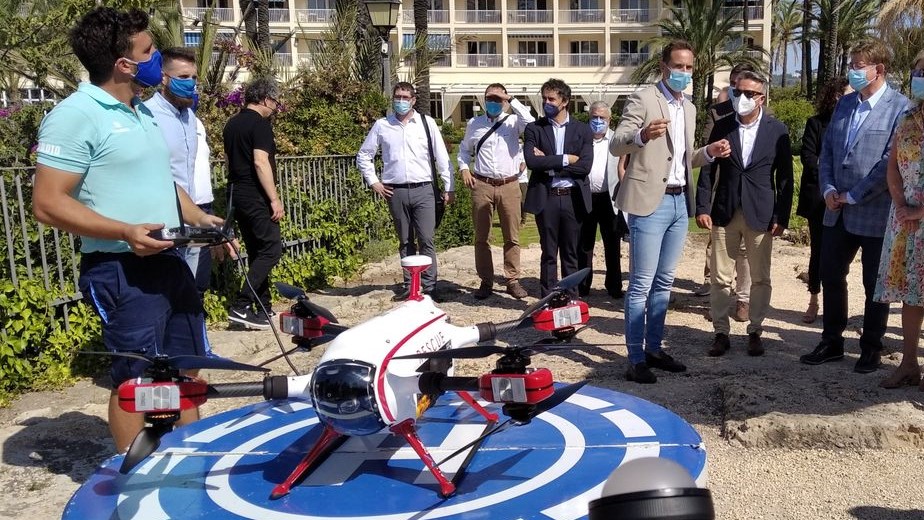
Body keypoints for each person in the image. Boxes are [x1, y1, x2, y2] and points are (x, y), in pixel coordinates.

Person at [31, 7, 223, 452]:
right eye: (149, 50)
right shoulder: (75, 114)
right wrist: (124, 230)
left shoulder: (141, 111)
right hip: (121, 266)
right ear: (125, 64)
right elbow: (47, 202)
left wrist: (200, 219)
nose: (157, 57)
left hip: (170, 260)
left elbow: (163, 181)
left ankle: (185, 463)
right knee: (139, 383)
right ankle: (139, 487)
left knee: (185, 369)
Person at [611, 40, 730, 384]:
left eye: (689, 68)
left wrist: (709, 152)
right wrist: (642, 135)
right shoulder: (644, 99)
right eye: (678, 66)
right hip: (651, 202)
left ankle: (654, 349)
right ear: (664, 66)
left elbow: (684, 158)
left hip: (680, 202)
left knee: (664, 284)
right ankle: (635, 358)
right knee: (641, 285)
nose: (684, 73)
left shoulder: (690, 109)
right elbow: (617, 143)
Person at [799, 38, 910, 374]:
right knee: (831, 275)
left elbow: (890, 163)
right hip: (836, 209)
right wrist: (830, 187)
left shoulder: (900, 108)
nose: (853, 70)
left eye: (859, 64)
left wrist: (855, 194)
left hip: (875, 211)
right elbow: (829, 150)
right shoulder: (846, 104)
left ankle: (871, 347)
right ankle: (832, 341)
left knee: (874, 285)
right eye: (852, 64)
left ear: (879, 69)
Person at [695, 70, 794, 357]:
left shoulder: (777, 130)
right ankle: (721, 332)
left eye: (749, 94)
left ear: (761, 98)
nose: (742, 98)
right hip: (724, 210)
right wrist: (703, 206)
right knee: (720, 277)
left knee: (760, 277)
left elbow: (785, 178)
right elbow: (708, 168)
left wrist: (781, 216)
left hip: (761, 212)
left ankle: (755, 330)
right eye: (738, 92)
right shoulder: (722, 126)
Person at [357, 82, 454, 300]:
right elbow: (364, 155)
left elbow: (442, 157)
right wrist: (374, 182)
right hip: (396, 191)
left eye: (404, 97)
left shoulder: (426, 124)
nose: (400, 101)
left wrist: (450, 187)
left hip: (424, 189)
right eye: (397, 96)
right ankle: (409, 286)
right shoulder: (383, 125)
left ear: (413, 100)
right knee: (405, 240)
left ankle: (429, 287)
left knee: (426, 239)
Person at [145, 47, 215, 299]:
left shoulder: (189, 117)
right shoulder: (146, 115)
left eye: (194, 78)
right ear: (164, 77)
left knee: (190, 292)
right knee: (165, 295)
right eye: (183, 78)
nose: (191, 84)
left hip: (191, 219)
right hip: (163, 225)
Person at [875, 51, 924, 390]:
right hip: (904, 220)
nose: (920, 76)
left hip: (920, 216)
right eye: (919, 70)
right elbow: (893, 163)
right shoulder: (908, 117)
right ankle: (908, 363)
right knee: (911, 294)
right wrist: (899, 200)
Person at [458, 83, 533, 300]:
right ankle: (486, 280)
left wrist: (511, 99)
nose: (493, 102)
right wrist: (464, 168)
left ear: (505, 101)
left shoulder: (513, 122)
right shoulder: (475, 123)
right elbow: (464, 150)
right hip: (482, 184)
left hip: (509, 184)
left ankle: (512, 279)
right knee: (482, 236)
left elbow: (531, 123)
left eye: (497, 99)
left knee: (512, 235)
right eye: (489, 98)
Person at [695, 63, 756, 325]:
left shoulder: (766, 115)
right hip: (722, 191)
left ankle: (743, 299)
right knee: (718, 248)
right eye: (732, 84)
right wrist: (704, 203)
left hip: (751, 195)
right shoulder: (718, 113)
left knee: (745, 252)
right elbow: (708, 155)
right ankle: (717, 296)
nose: (736, 90)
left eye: (740, 85)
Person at [523, 78, 594, 297]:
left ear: (564, 101)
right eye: (544, 98)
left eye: (551, 99)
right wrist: (566, 159)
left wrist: (550, 163)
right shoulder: (535, 128)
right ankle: (548, 297)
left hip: (573, 198)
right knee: (549, 253)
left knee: (571, 253)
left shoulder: (582, 130)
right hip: (547, 198)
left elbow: (584, 167)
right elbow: (532, 162)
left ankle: (571, 297)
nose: (547, 103)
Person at [223, 77, 284, 329]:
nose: (275, 108)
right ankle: (242, 304)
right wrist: (273, 198)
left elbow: (227, 161)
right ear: (265, 99)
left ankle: (263, 307)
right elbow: (260, 162)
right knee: (271, 249)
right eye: (275, 102)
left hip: (236, 191)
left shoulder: (232, 124)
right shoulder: (260, 125)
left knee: (257, 251)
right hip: (254, 194)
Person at [797, 77, 849, 324]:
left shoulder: (853, 123)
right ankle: (813, 299)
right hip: (820, 198)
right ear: (834, 96)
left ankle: (836, 305)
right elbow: (808, 157)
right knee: (818, 250)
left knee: (841, 256)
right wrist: (831, 178)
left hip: (849, 199)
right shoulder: (816, 123)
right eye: (843, 94)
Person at [577, 100, 623, 299]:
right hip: (586, 197)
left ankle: (614, 286)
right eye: (594, 117)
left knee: (612, 244)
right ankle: (582, 286)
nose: (598, 121)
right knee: (584, 245)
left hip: (609, 198)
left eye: (602, 118)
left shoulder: (616, 139)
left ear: (609, 119)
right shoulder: (580, 138)